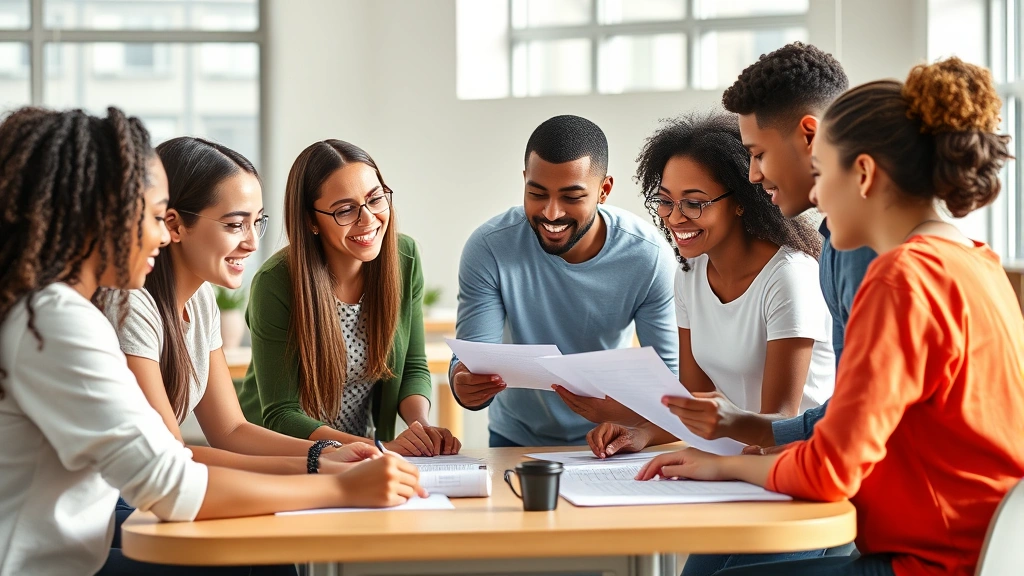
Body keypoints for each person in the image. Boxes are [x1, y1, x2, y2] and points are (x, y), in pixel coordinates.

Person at [637, 57, 1024, 576]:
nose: (816, 194)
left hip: (931, 561)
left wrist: (728, 465)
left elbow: (830, 471)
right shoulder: (975, 260)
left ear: (862, 173)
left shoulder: (900, 279)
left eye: (822, 171)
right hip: (988, 551)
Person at [0, 107, 424, 576]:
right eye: (154, 216)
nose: (163, 234)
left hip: (77, 542)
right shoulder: (59, 319)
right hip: (42, 564)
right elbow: (170, 477)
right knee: (265, 560)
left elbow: (219, 436)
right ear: (96, 215)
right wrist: (339, 483)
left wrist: (324, 462)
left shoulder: (56, 311)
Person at [107, 136, 382, 476]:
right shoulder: (131, 306)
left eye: (257, 222)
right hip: (114, 503)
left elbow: (230, 431)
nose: (252, 242)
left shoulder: (201, 299)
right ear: (174, 225)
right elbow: (167, 455)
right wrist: (316, 465)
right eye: (236, 224)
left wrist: (330, 451)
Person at [583, 111, 833, 450]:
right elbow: (694, 402)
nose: (674, 217)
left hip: (792, 462)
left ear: (742, 202)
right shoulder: (690, 274)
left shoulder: (788, 277)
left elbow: (780, 422)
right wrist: (640, 433)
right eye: (665, 201)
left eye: (694, 203)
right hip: (736, 459)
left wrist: (712, 466)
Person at [450, 114, 679, 447]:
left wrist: (629, 418)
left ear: (604, 190)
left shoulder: (647, 256)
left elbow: (669, 379)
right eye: (537, 193)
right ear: (524, 180)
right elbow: (471, 359)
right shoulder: (489, 247)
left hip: (611, 436)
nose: (552, 213)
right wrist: (464, 385)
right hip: (515, 438)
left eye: (571, 197)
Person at [238, 139, 460, 456]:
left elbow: (412, 366)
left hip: (363, 452)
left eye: (375, 199)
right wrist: (382, 448)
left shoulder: (404, 258)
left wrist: (419, 428)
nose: (368, 219)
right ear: (311, 221)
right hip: (285, 455)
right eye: (345, 210)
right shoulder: (276, 283)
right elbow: (280, 414)